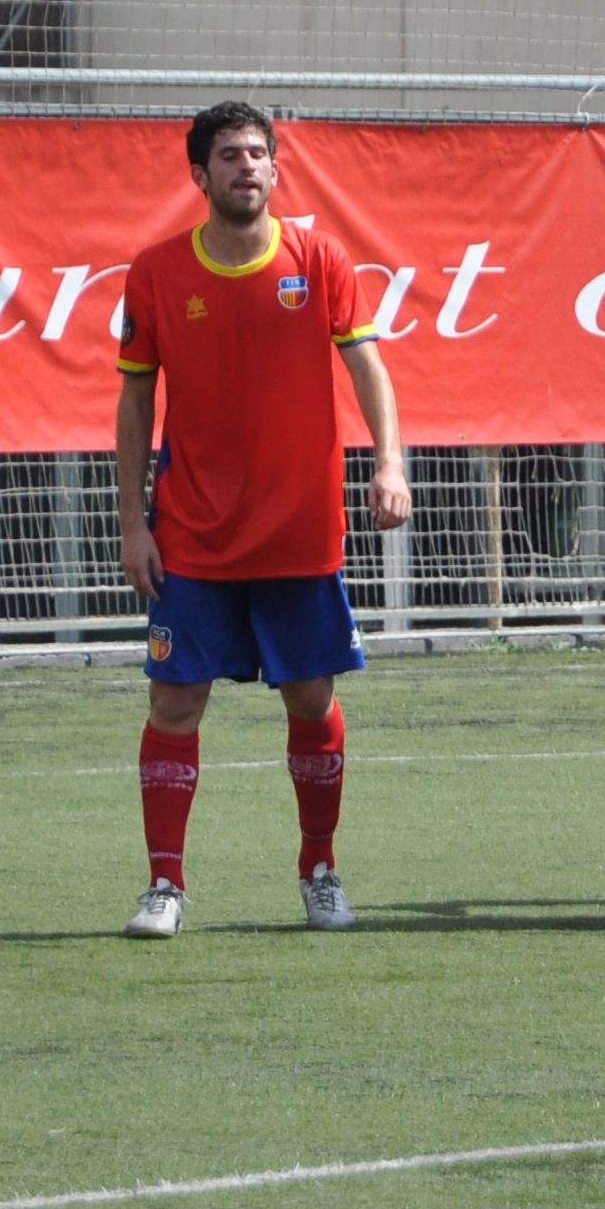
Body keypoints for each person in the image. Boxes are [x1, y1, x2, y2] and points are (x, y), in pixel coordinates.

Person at [112, 102, 413, 940]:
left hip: (298, 532)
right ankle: (164, 887)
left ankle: (319, 869)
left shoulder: (319, 260)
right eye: (229, 155)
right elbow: (135, 400)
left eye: (259, 153)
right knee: (175, 703)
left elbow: (369, 367)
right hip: (193, 534)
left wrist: (389, 463)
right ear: (199, 175)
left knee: (311, 699)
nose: (248, 166)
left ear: (277, 170)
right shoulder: (158, 271)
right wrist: (133, 523)